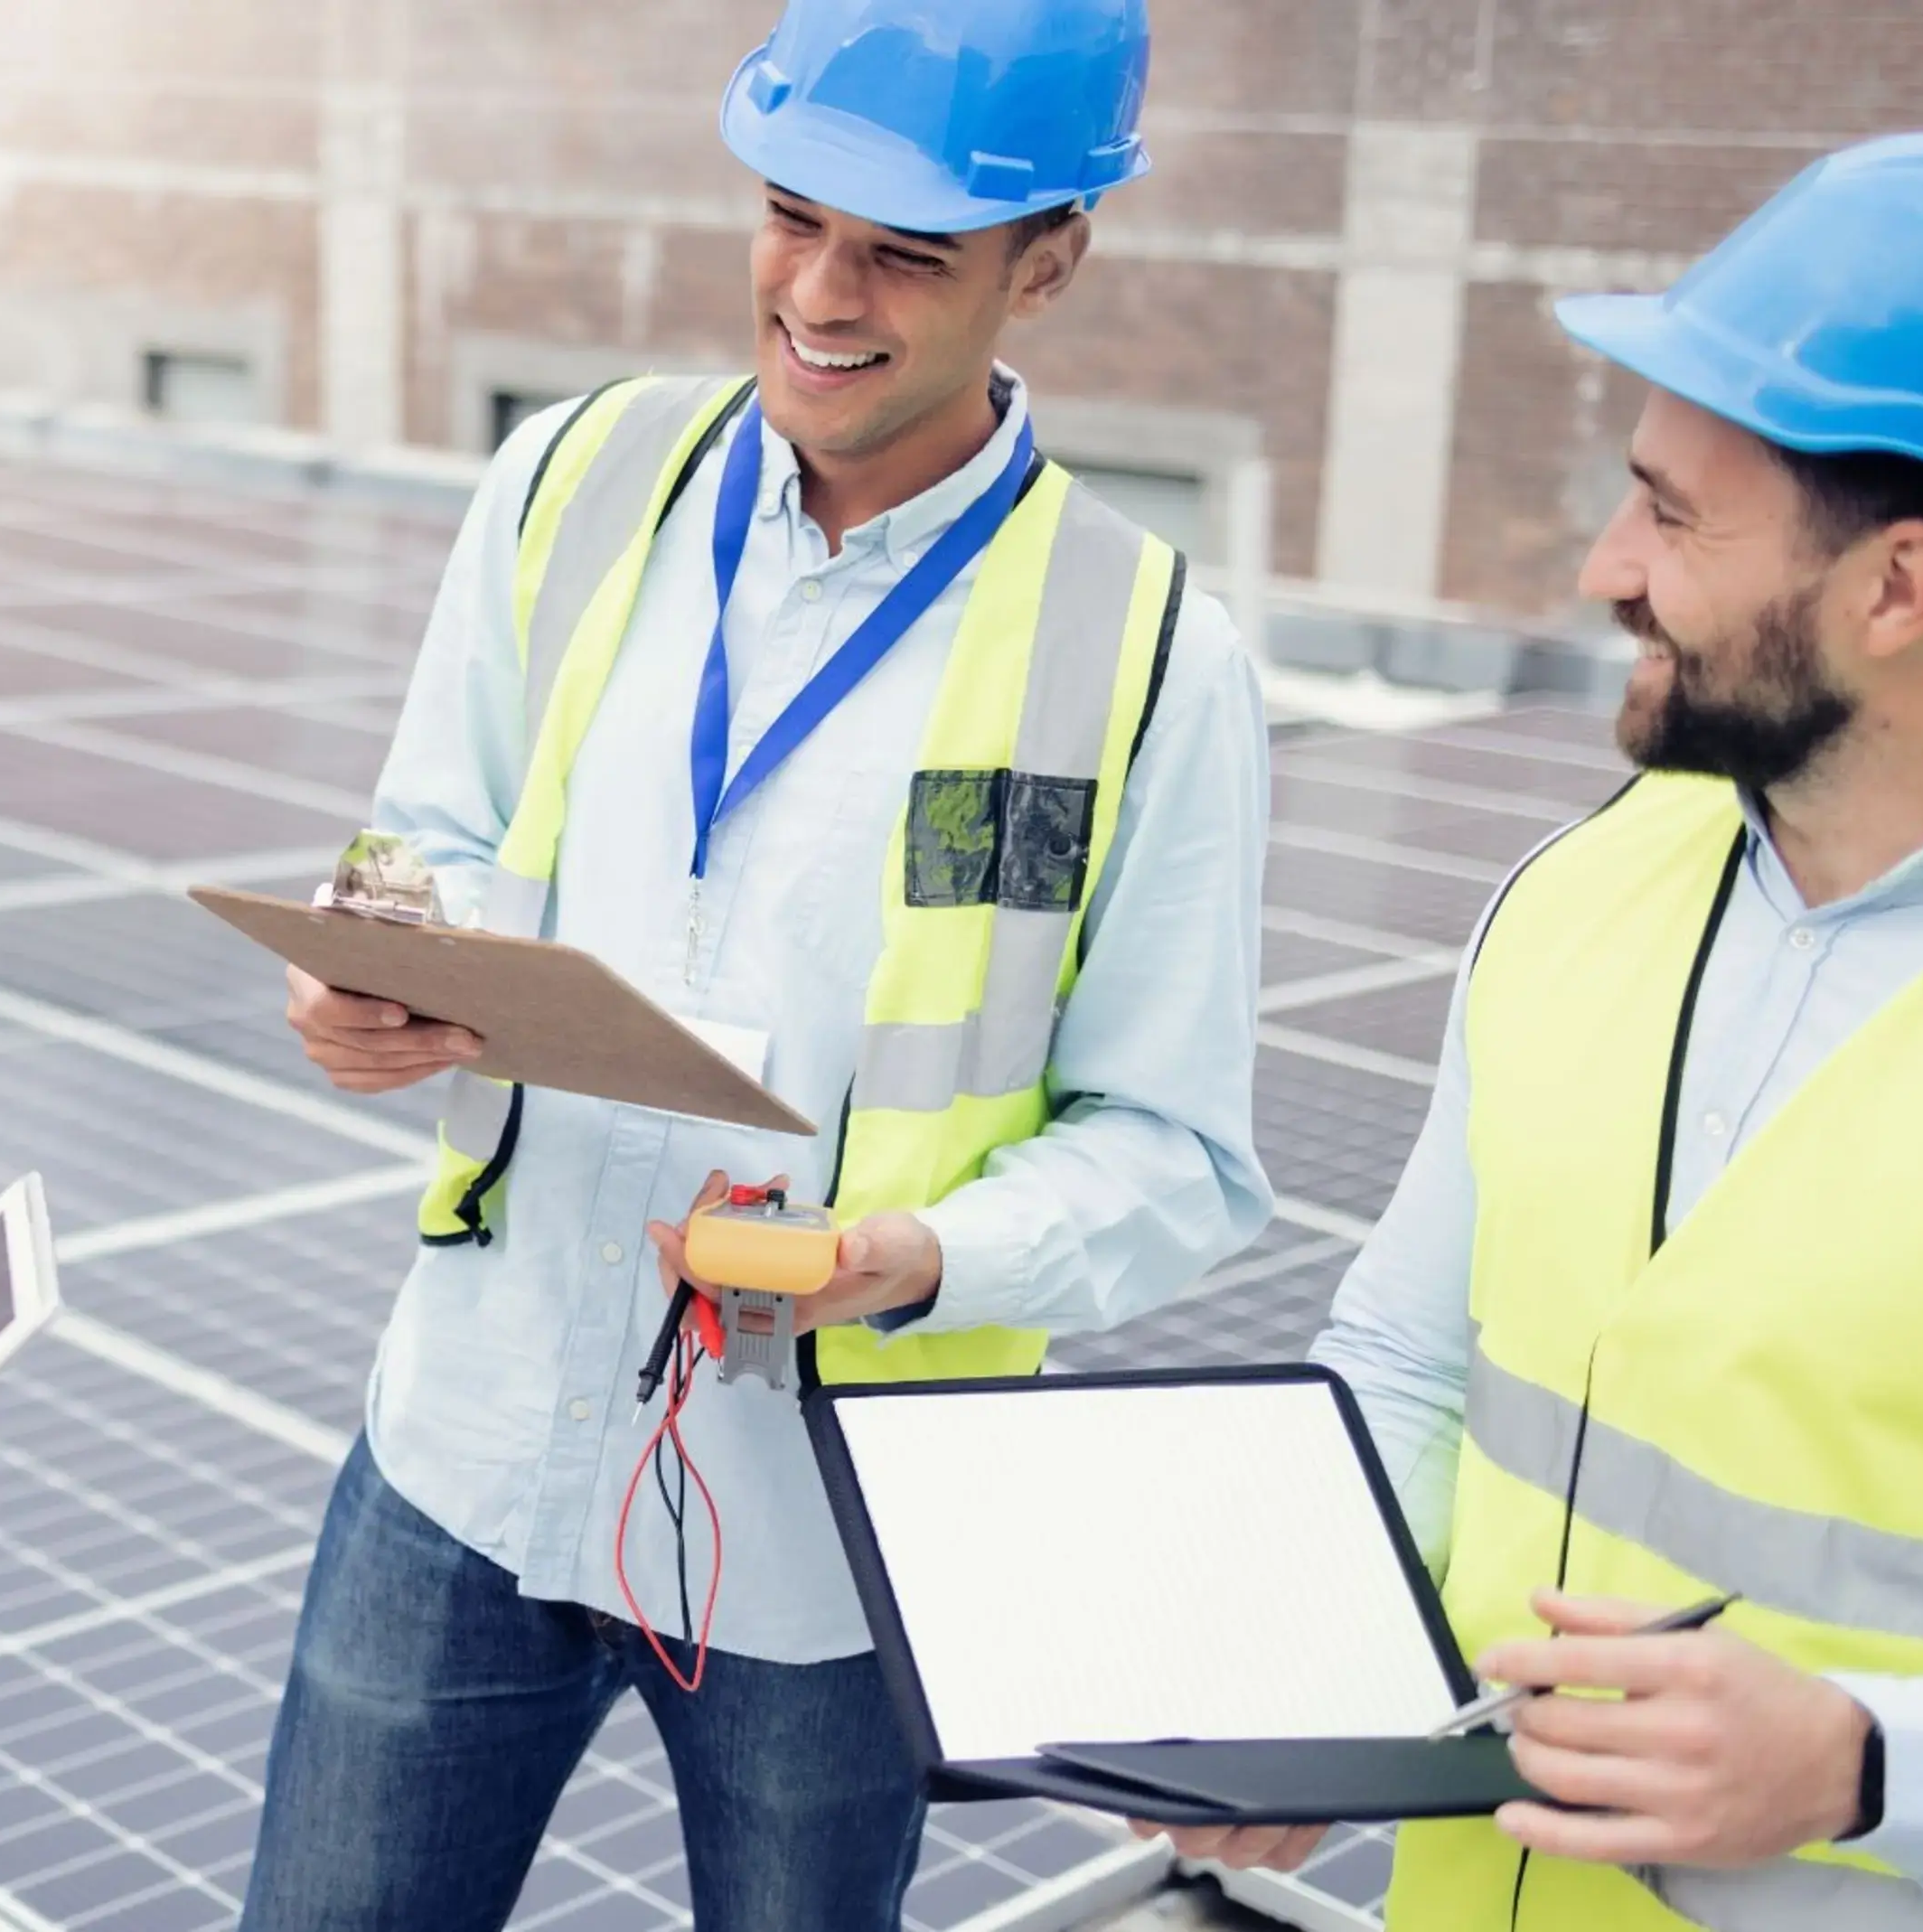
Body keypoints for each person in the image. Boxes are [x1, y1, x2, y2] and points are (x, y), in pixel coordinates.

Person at [237, 2, 1273, 1924]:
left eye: (904, 253)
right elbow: (423, 833)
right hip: (468, 1449)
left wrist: (928, 1258)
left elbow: (1175, 1150)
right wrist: (380, 966)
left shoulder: (1148, 659)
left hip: (820, 1532)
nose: (817, 291)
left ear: (1051, 259)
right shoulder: (572, 478)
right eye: (790, 215)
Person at [1148, 134, 1923, 1927]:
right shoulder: (1581, 890)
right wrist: (1298, 1663)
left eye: (1670, 512)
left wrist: (1869, 1765)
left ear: (1895, 587)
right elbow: (1408, 1360)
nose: (1600, 565)